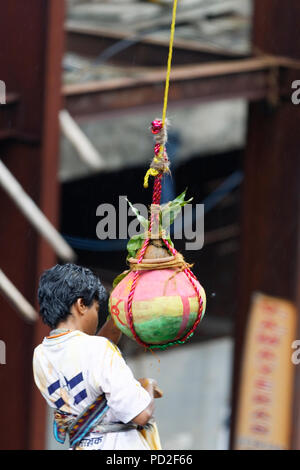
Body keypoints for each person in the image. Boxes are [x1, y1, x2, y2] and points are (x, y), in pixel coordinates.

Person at [33, 263, 162, 450]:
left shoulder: (40, 356)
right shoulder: (97, 350)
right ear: (81, 305)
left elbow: (89, 358)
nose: (96, 315)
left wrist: (117, 318)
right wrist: (148, 386)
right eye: (96, 308)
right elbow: (141, 414)